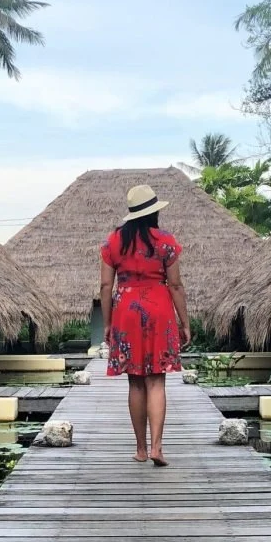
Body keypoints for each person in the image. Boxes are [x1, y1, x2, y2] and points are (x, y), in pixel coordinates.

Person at [99, 184, 191, 466]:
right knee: (156, 381)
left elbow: (105, 285)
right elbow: (175, 284)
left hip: (126, 311)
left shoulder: (114, 241)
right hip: (159, 308)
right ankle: (157, 448)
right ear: (154, 213)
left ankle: (140, 449)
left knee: (135, 382)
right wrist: (184, 323)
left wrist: (107, 323)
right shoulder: (165, 241)